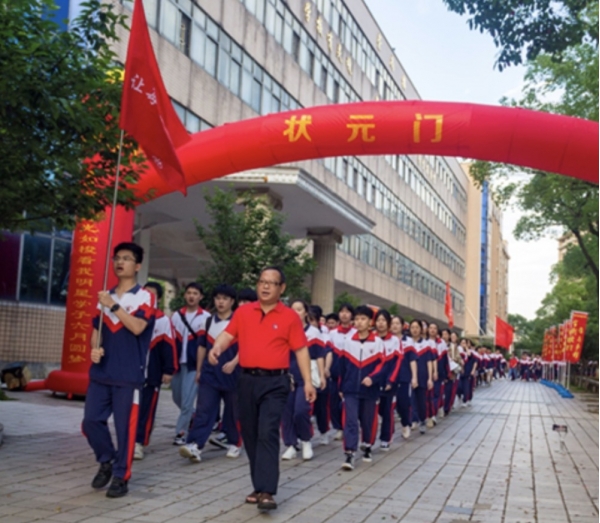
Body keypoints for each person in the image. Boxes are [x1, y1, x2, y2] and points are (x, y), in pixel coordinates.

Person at [207, 267, 317, 511]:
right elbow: (227, 335)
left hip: (275, 383)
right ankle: (258, 485)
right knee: (251, 433)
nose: (265, 286)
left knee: (267, 431)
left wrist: (308, 382)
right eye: (262, 282)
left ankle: (267, 491)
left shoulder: (289, 317)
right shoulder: (244, 312)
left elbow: (301, 350)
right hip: (246, 381)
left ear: (282, 288)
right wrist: (217, 348)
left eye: (271, 283)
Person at [82, 242, 155, 498]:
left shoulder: (145, 296)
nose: (119, 262)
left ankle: (121, 476)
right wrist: (95, 349)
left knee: (125, 429)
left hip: (128, 375)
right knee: (90, 421)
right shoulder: (105, 295)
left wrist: (113, 305)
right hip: (101, 373)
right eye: (117, 258)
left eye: (126, 258)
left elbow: (137, 327)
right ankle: (107, 460)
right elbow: (96, 332)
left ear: (137, 266)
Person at [179, 284, 241, 463]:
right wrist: (199, 370)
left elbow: (246, 345)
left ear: (232, 302)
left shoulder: (238, 322)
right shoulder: (207, 322)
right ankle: (195, 445)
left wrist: (234, 362)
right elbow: (202, 348)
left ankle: (234, 443)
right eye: (218, 298)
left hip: (233, 374)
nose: (220, 302)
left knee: (233, 411)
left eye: (225, 299)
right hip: (209, 374)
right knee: (204, 410)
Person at [338, 305, 386, 470]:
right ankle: (350, 453)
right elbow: (342, 366)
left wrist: (372, 378)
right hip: (350, 388)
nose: (359, 322)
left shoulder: (378, 342)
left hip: (370, 390)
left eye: (363, 319)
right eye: (357, 319)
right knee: (350, 421)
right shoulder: (348, 342)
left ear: (370, 322)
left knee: (367, 420)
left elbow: (382, 366)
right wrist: (340, 386)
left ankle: (367, 445)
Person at [134, 282, 177, 461]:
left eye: (152, 295)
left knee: (146, 410)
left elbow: (169, 348)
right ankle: (127, 439)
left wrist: (168, 371)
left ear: (158, 299)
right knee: (130, 409)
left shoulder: (163, 321)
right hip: (132, 373)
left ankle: (139, 443)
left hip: (152, 374)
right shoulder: (133, 316)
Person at [281, 301, 326, 460]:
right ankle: (291, 444)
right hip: (287, 376)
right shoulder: (284, 330)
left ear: (306, 313)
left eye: (299, 310)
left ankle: (306, 440)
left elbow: (319, 354)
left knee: (301, 410)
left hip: (306, 377)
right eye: (292, 310)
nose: (295, 313)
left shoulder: (313, 332)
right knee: (286, 413)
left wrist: (321, 375)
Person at [170, 282, 210, 445]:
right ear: (185, 295)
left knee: (187, 400)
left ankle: (181, 432)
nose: (192, 296)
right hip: (177, 364)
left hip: (195, 365)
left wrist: (202, 368)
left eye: (195, 293)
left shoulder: (206, 317)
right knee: (176, 397)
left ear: (200, 297)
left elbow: (205, 344)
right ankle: (193, 415)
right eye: (189, 293)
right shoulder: (176, 316)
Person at [328, 303, 356, 441]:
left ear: (352, 315)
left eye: (347, 312)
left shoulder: (356, 334)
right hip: (335, 373)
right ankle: (338, 427)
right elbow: (328, 353)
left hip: (350, 374)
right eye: (342, 311)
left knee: (347, 402)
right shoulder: (332, 334)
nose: (344, 314)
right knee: (334, 402)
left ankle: (349, 425)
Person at [375, 310, 401, 451]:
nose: (380, 323)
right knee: (373, 411)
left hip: (388, 383)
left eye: (383, 320)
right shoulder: (371, 338)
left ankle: (385, 438)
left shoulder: (395, 341)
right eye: (378, 320)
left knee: (387, 411)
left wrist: (391, 380)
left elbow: (398, 362)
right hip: (373, 382)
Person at [391, 315, 417, 439]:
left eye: (397, 323)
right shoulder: (387, 340)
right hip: (388, 378)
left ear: (402, 326)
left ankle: (405, 423)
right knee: (387, 405)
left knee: (403, 404)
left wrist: (414, 377)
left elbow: (412, 360)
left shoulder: (409, 341)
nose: (395, 326)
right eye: (393, 323)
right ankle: (388, 430)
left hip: (404, 377)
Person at [407, 320, 433, 433]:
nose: (414, 329)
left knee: (421, 401)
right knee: (410, 399)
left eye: (417, 327)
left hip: (422, 376)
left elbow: (429, 362)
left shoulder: (426, 345)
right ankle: (413, 420)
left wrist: (430, 378)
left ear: (421, 329)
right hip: (408, 376)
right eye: (412, 327)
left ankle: (422, 420)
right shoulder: (407, 343)